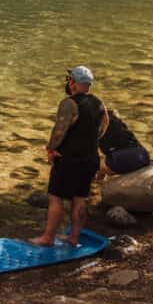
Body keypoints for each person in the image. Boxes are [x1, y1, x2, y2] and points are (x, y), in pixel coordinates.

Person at [31, 66, 109, 247]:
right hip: (90, 158)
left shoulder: (69, 103)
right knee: (80, 198)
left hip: (69, 159)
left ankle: (48, 238)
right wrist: (90, 142)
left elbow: (59, 131)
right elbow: (104, 126)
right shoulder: (99, 103)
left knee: (55, 197)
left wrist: (51, 149)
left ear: (72, 82)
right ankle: (74, 238)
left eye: (69, 80)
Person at [96, 107, 151, 178]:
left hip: (126, 157)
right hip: (143, 156)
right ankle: (101, 183)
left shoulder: (95, 126)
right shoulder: (116, 122)